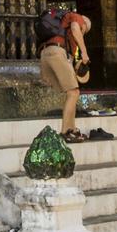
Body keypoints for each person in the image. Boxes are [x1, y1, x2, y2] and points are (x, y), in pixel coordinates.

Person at [39, 9, 92, 143]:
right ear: (85, 24)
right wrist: (84, 53)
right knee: (74, 92)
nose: (82, 33)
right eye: (84, 31)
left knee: (72, 93)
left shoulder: (61, 24)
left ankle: (72, 129)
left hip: (45, 54)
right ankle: (65, 132)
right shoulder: (78, 18)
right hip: (57, 53)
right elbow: (75, 28)